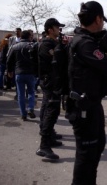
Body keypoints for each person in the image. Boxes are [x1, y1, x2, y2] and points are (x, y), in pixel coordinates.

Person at [67, 0, 107, 184]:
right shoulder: (84, 43)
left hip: (92, 104)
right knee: (86, 154)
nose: (103, 23)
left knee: (96, 148)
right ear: (97, 19)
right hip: (83, 107)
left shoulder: (88, 41)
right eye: (102, 19)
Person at [36, 18, 66, 160]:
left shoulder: (54, 43)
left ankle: (50, 138)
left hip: (54, 81)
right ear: (50, 29)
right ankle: (44, 146)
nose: (59, 29)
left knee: (52, 110)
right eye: (56, 27)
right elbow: (53, 63)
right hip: (50, 82)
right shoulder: (47, 44)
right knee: (51, 110)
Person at [6, 30, 38, 121]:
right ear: (29, 37)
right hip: (30, 73)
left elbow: (9, 60)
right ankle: (31, 108)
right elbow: (37, 60)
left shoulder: (14, 46)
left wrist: (9, 71)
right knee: (31, 92)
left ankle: (23, 114)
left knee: (21, 94)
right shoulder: (33, 46)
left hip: (19, 72)